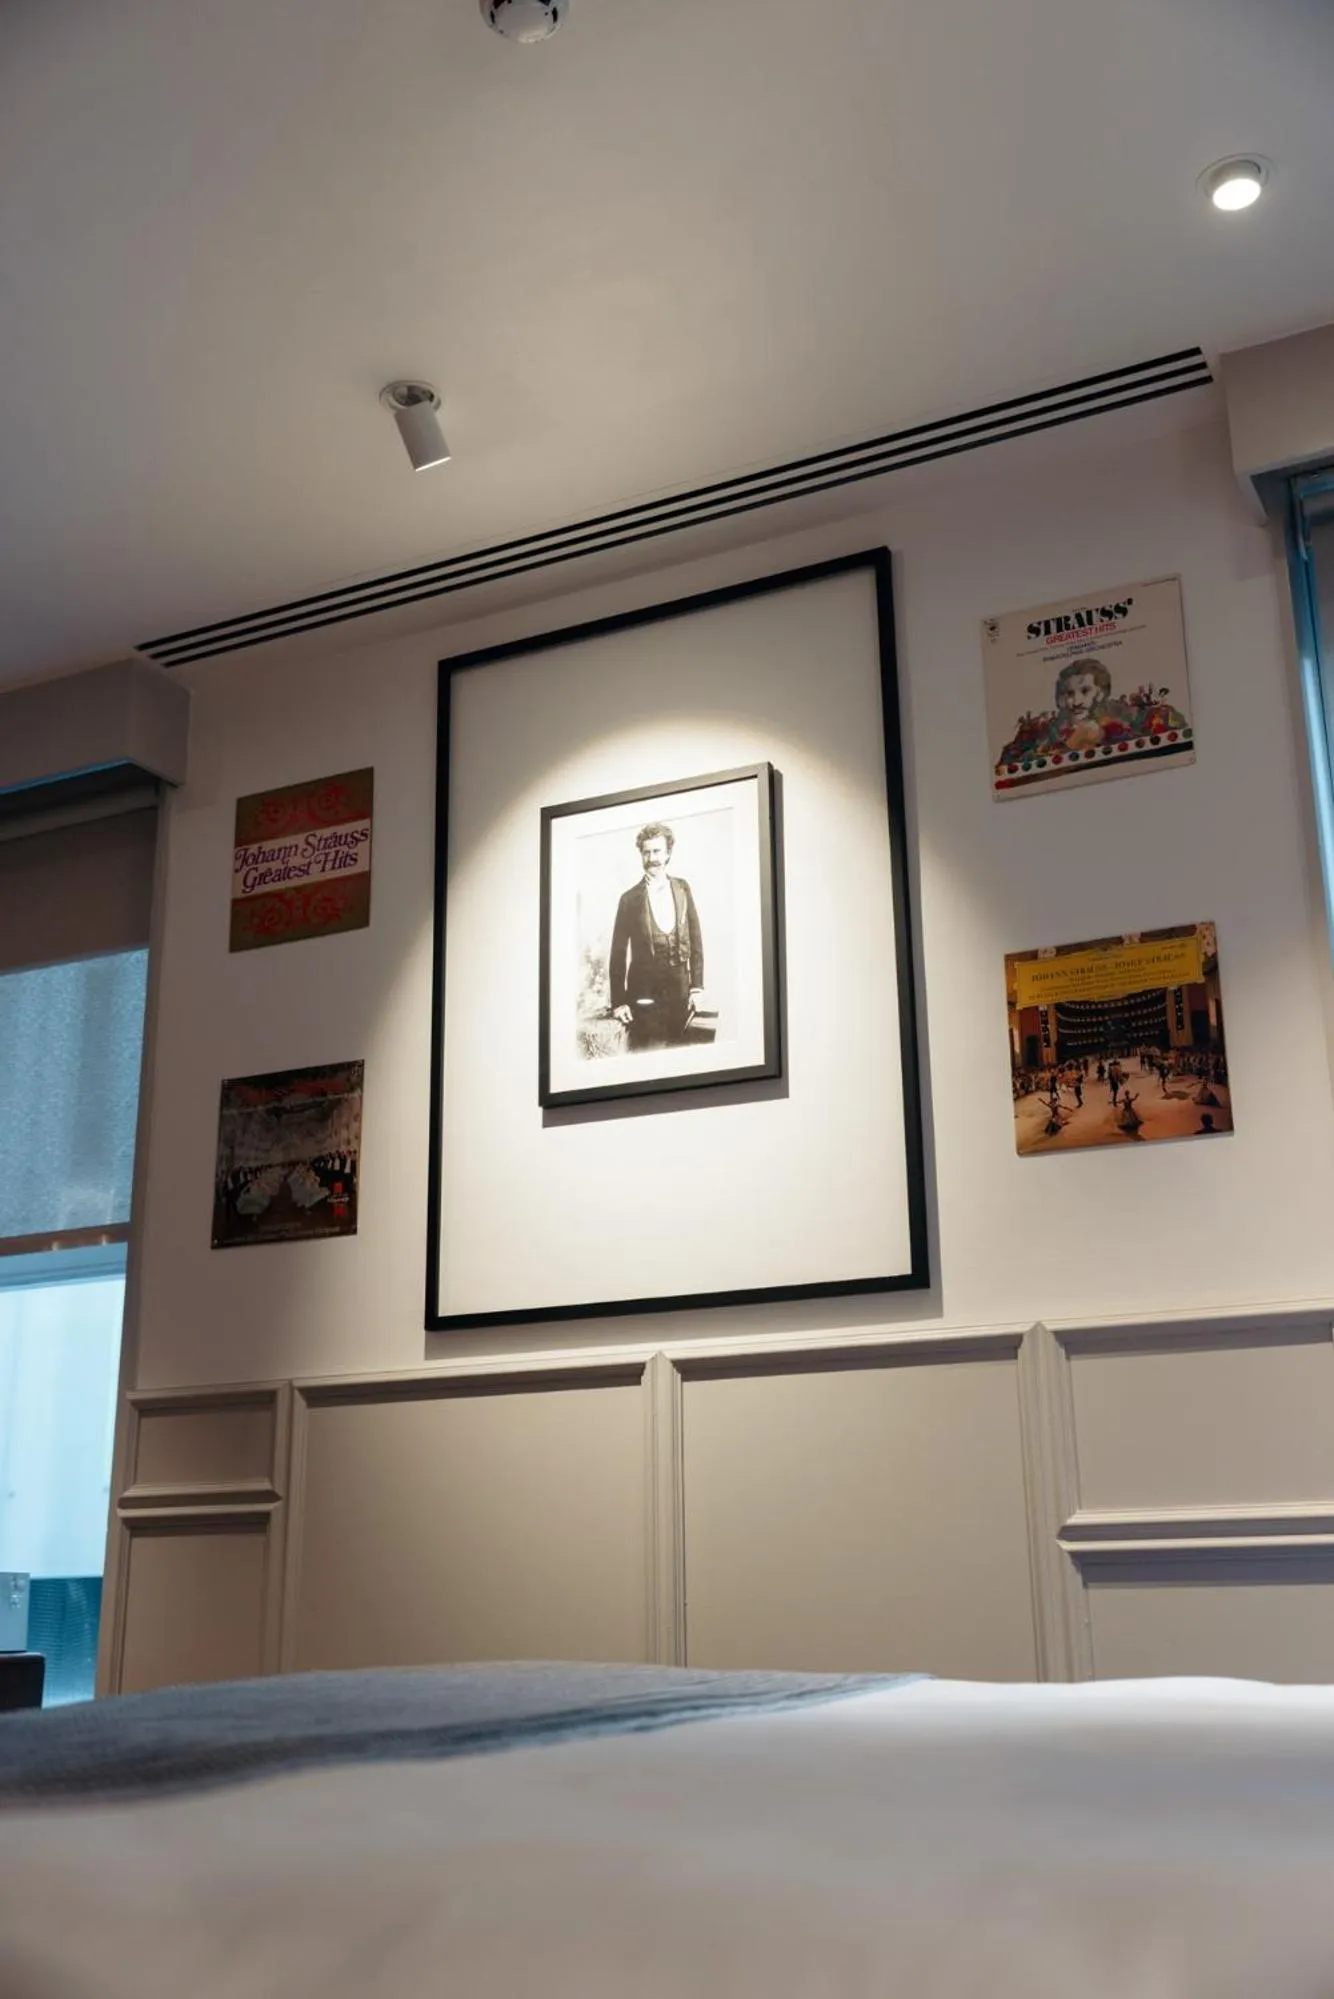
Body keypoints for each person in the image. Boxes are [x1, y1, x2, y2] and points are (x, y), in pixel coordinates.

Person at [609, 821, 704, 1053]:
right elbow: (618, 954)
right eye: (647, 852)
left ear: (668, 852)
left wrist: (697, 988)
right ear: (641, 854)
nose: (652, 858)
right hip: (643, 994)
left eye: (657, 851)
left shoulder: (683, 888)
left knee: (681, 1055)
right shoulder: (628, 899)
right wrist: (619, 1002)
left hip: (680, 992)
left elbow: (696, 940)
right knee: (646, 1054)